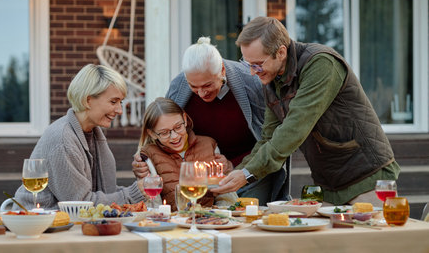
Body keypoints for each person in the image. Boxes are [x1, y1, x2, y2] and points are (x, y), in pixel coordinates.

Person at [212, 16, 400, 206]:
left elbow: (295, 127)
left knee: (373, 235)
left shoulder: (321, 64)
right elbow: (268, 138)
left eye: (258, 64)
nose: (253, 72)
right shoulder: (271, 81)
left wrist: (246, 174)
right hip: (328, 185)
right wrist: (240, 171)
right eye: (248, 64)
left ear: (281, 52)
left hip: (367, 178)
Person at [133, 37, 291, 205]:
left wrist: (235, 167)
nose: (201, 94)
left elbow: (271, 138)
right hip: (202, 174)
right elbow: (162, 129)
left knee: (244, 217)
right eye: (194, 86)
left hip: (251, 167)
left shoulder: (252, 83)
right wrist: (142, 161)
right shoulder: (180, 85)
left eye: (207, 85)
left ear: (222, 70)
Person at [15, 64, 146, 209]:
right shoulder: (63, 140)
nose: (120, 110)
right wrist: (133, 193)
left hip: (68, 223)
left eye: (120, 102)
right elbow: (80, 204)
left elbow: (104, 193)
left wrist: (142, 185)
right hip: (37, 223)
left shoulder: (93, 133)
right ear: (87, 100)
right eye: (113, 102)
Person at [137, 97, 236, 211]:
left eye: (178, 127)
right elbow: (153, 203)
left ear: (184, 118)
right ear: (152, 133)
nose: (174, 136)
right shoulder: (148, 156)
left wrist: (217, 218)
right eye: (164, 133)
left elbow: (226, 196)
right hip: (172, 223)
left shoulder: (209, 145)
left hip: (210, 221)